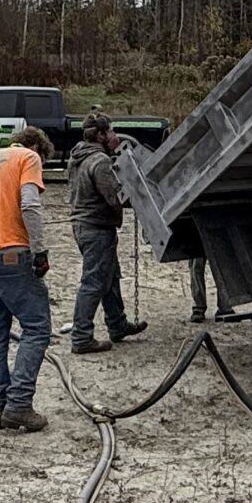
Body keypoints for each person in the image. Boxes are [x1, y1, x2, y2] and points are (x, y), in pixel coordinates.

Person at [0, 126, 55, 431]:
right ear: (36, 148)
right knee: (37, 327)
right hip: (11, 254)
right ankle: (18, 404)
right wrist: (40, 251)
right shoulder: (27, 158)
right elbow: (29, 204)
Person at [67, 116, 148, 353]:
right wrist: (133, 183)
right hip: (96, 228)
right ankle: (81, 337)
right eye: (111, 131)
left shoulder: (77, 156)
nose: (114, 135)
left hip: (84, 226)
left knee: (110, 276)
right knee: (93, 282)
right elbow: (115, 197)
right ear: (101, 135)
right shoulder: (100, 161)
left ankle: (117, 324)